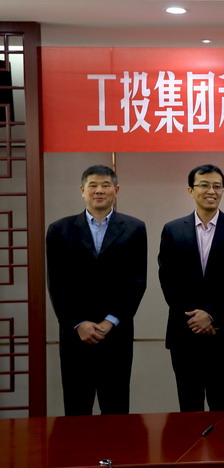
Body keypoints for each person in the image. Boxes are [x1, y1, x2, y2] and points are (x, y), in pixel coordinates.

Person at [46, 165, 147, 415]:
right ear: (82, 190)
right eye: (93, 185)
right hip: (75, 334)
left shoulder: (134, 228)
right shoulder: (59, 230)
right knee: (76, 407)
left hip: (116, 333)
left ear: (116, 190)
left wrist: (111, 320)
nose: (99, 190)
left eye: (105, 185)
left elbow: (137, 281)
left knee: (116, 407)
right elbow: (57, 283)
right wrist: (78, 322)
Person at [158, 164, 224, 412]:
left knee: (223, 406)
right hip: (185, 334)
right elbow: (168, 280)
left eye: (217, 186)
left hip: (223, 333)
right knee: (189, 406)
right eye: (204, 185)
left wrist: (212, 314)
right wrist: (195, 317)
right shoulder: (173, 230)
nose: (212, 191)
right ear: (190, 190)